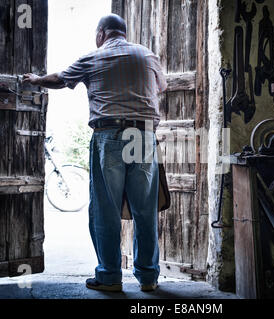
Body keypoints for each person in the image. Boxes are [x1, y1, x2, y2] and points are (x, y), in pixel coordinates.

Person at [23, 13, 167, 292]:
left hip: (109, 136)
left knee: (106, 210)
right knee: (145, 211)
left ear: (101, 34)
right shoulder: (147, 55)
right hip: (143, 136)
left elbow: (61, 79)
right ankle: (148, 278)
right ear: (123, 33)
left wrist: (36, 79)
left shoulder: (94, 57)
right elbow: (161, 86)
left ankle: (110, 276)